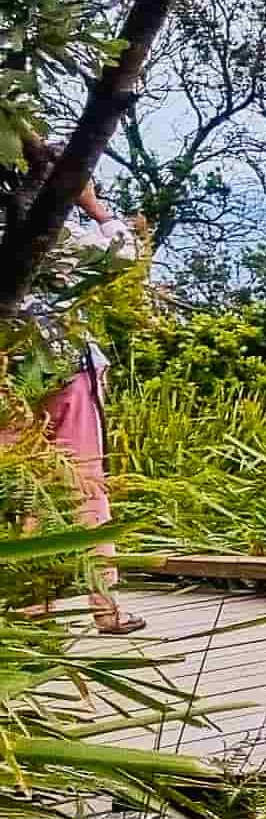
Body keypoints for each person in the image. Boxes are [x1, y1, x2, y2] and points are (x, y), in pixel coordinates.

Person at [22, 177, 146, 633]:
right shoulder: (56, 233)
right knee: (85, 487)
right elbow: (124, 251)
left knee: (22, 489)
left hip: (6, 376)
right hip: (65, 370)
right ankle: (106, 607)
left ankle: (32, 609)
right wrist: (93, 205)